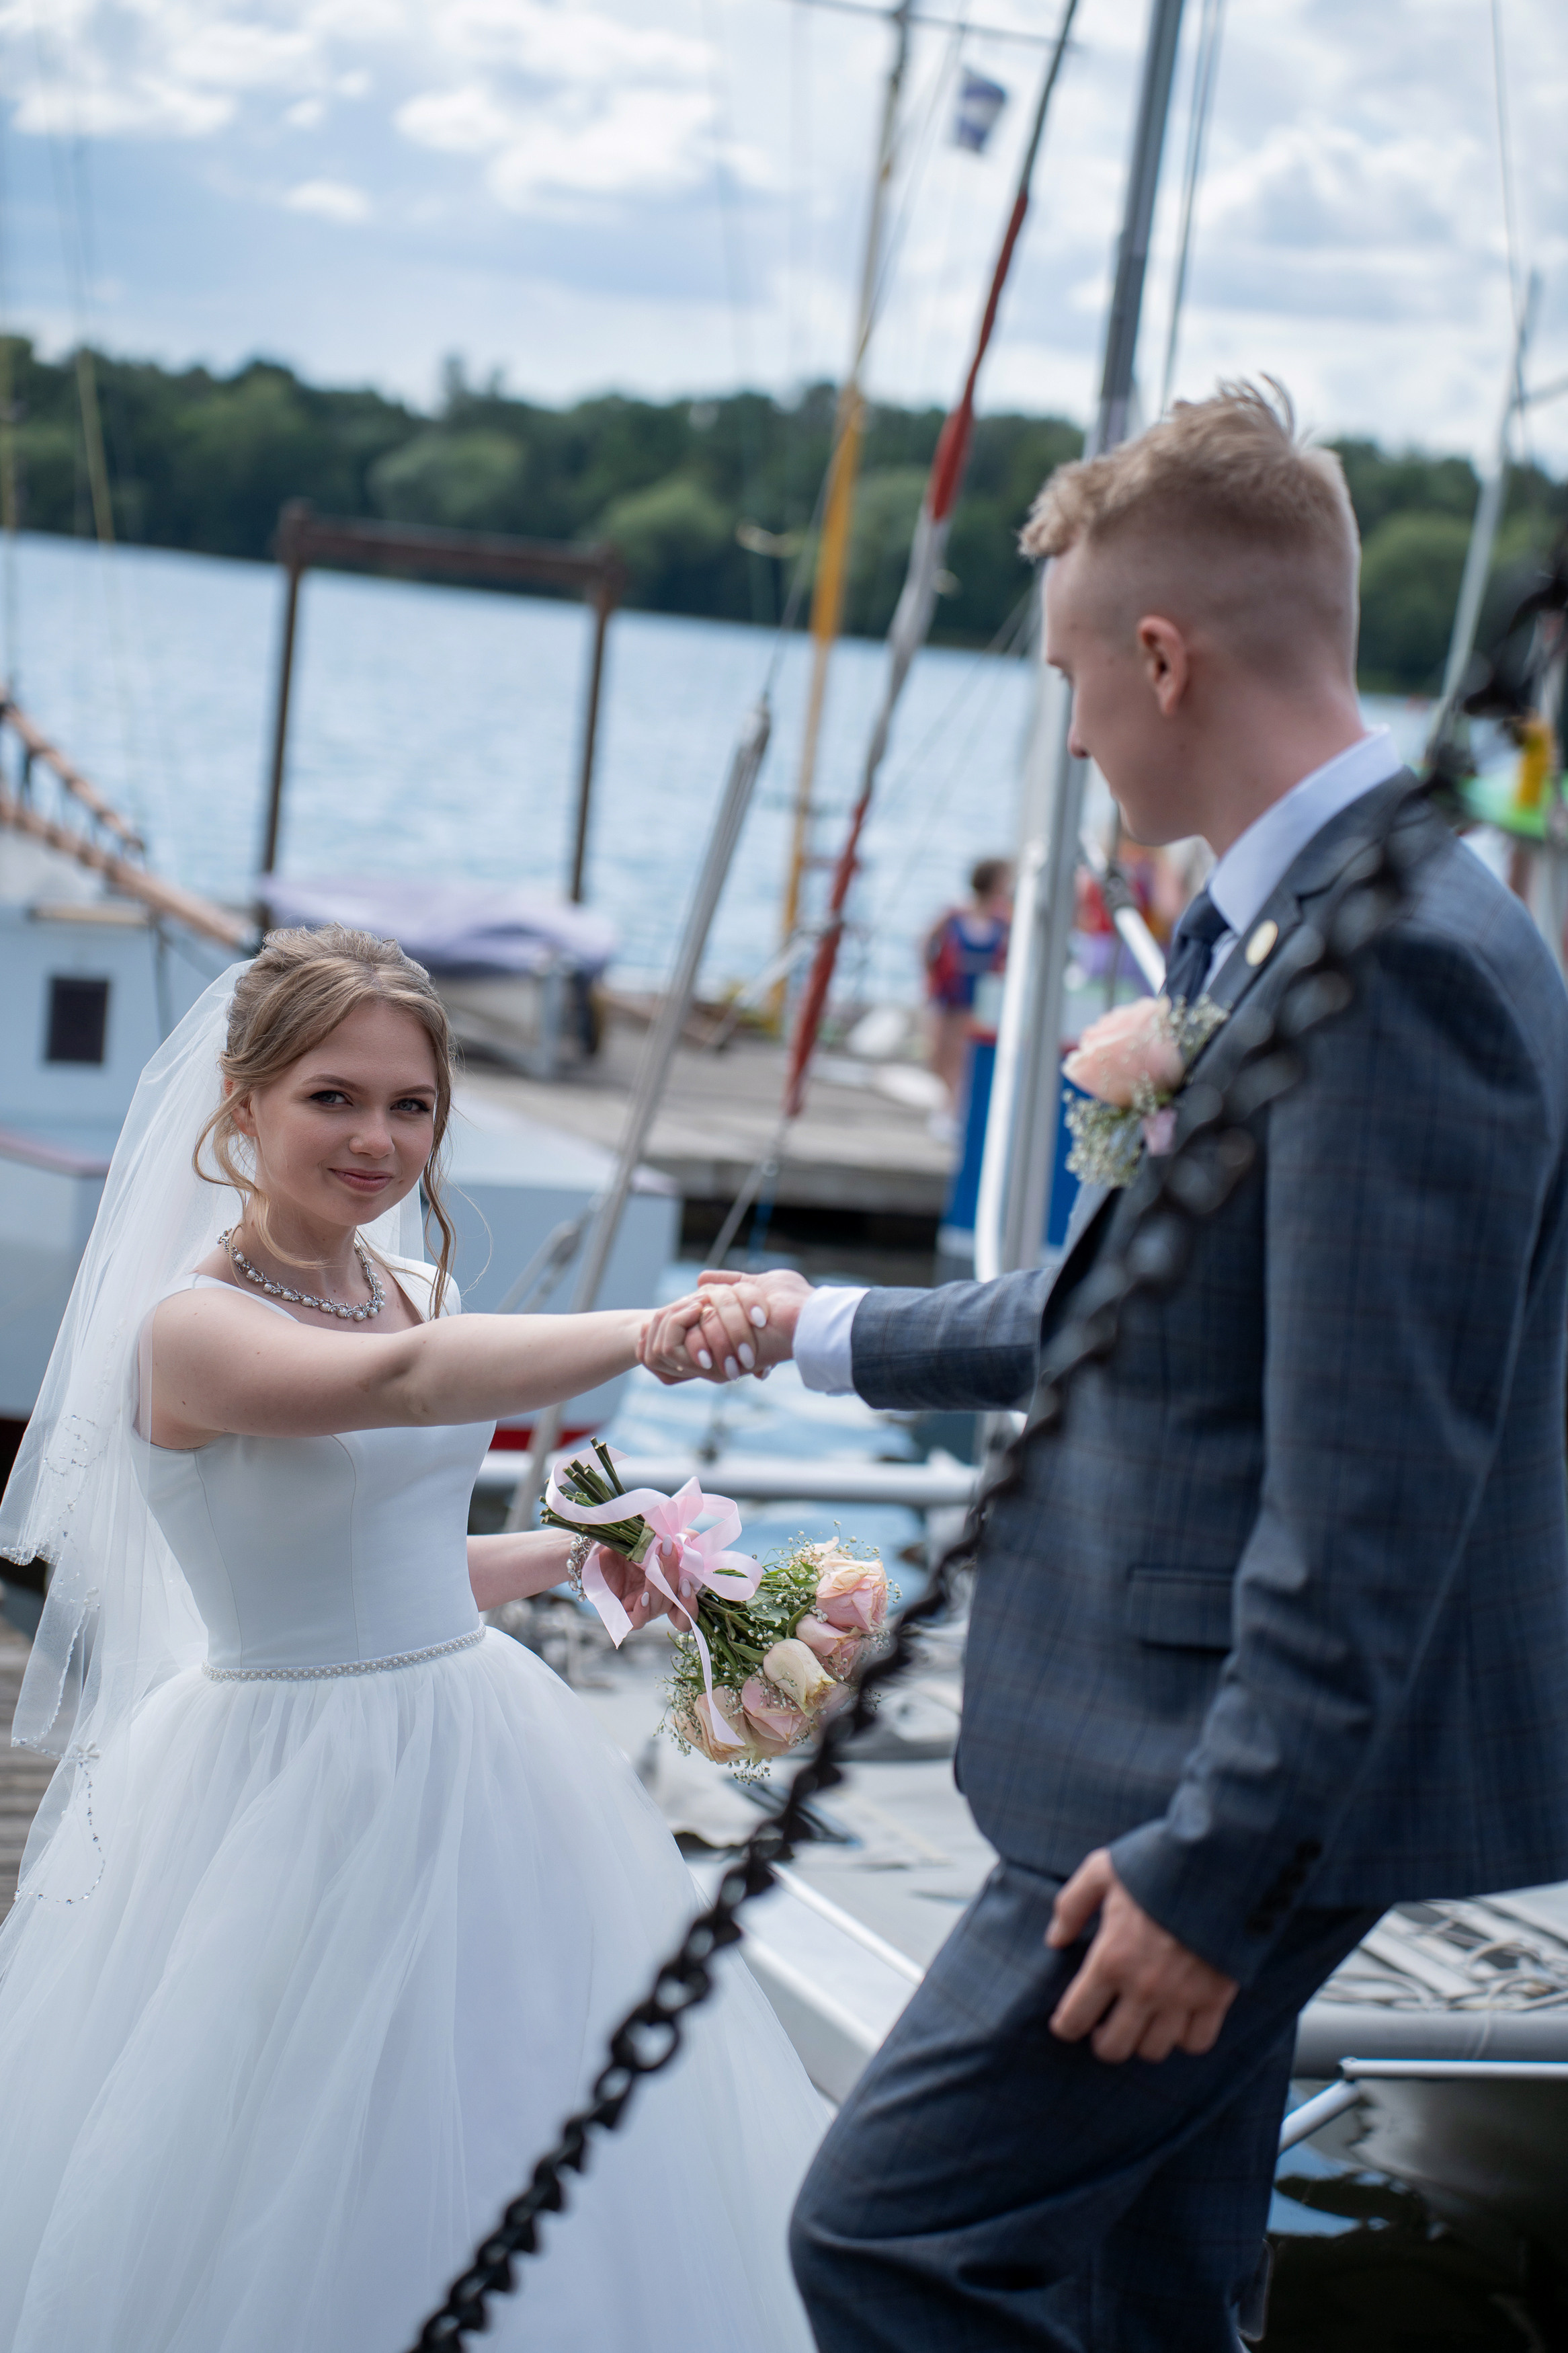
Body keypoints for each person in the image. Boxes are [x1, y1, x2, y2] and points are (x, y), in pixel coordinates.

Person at [641, 383, 1568, 2350]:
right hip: (1172, 1742)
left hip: (1187, 1785)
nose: (1065, 722)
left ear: (1161, 653)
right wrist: (828, 1324)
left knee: (890, 2236)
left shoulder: (1386, 960)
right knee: (1156, 2280)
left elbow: (1377, 1482)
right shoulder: (1287, 928)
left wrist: (1207, 1870)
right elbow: (1155, 1306)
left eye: (1070, 669)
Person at [0, 926, 823, 2353]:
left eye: (411, 1105)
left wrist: (596, 1549)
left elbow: (390, 1562)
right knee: (298, 2146)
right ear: (240, 1103)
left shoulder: (412, 1283)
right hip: (288, 1780)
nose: (376, 1138)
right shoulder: (188, 1333)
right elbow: (395, 1385)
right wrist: (655, 1328)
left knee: (520, 2099)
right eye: (333, 1096)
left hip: (480, 1746)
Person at [922, 856, 1014, 1105]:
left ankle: (955, 1107)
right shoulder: (954, 915)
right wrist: (930, 975)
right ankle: (948, 1102)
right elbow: (927, 942)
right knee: (940, 1054)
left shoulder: (1003, 921)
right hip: (951, 994)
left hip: (980, 999)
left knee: (966, 1057)